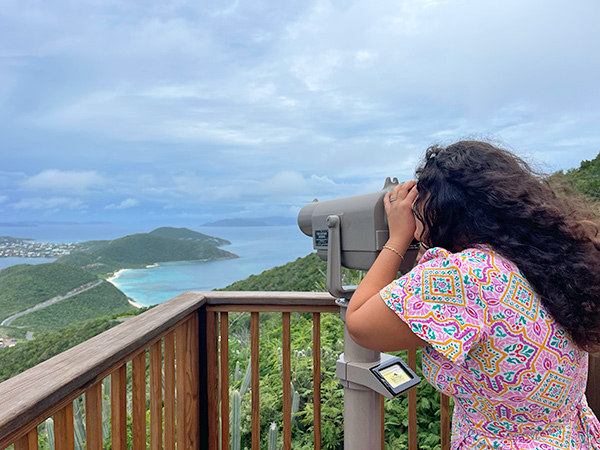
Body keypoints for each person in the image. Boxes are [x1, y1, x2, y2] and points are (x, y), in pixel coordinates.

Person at [345, 141, 600, 449]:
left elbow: (359, 323)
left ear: (440, 209)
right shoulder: (545, 257)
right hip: (571, 438)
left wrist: (397, 238)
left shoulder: (463, 276)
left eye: (420, 203)